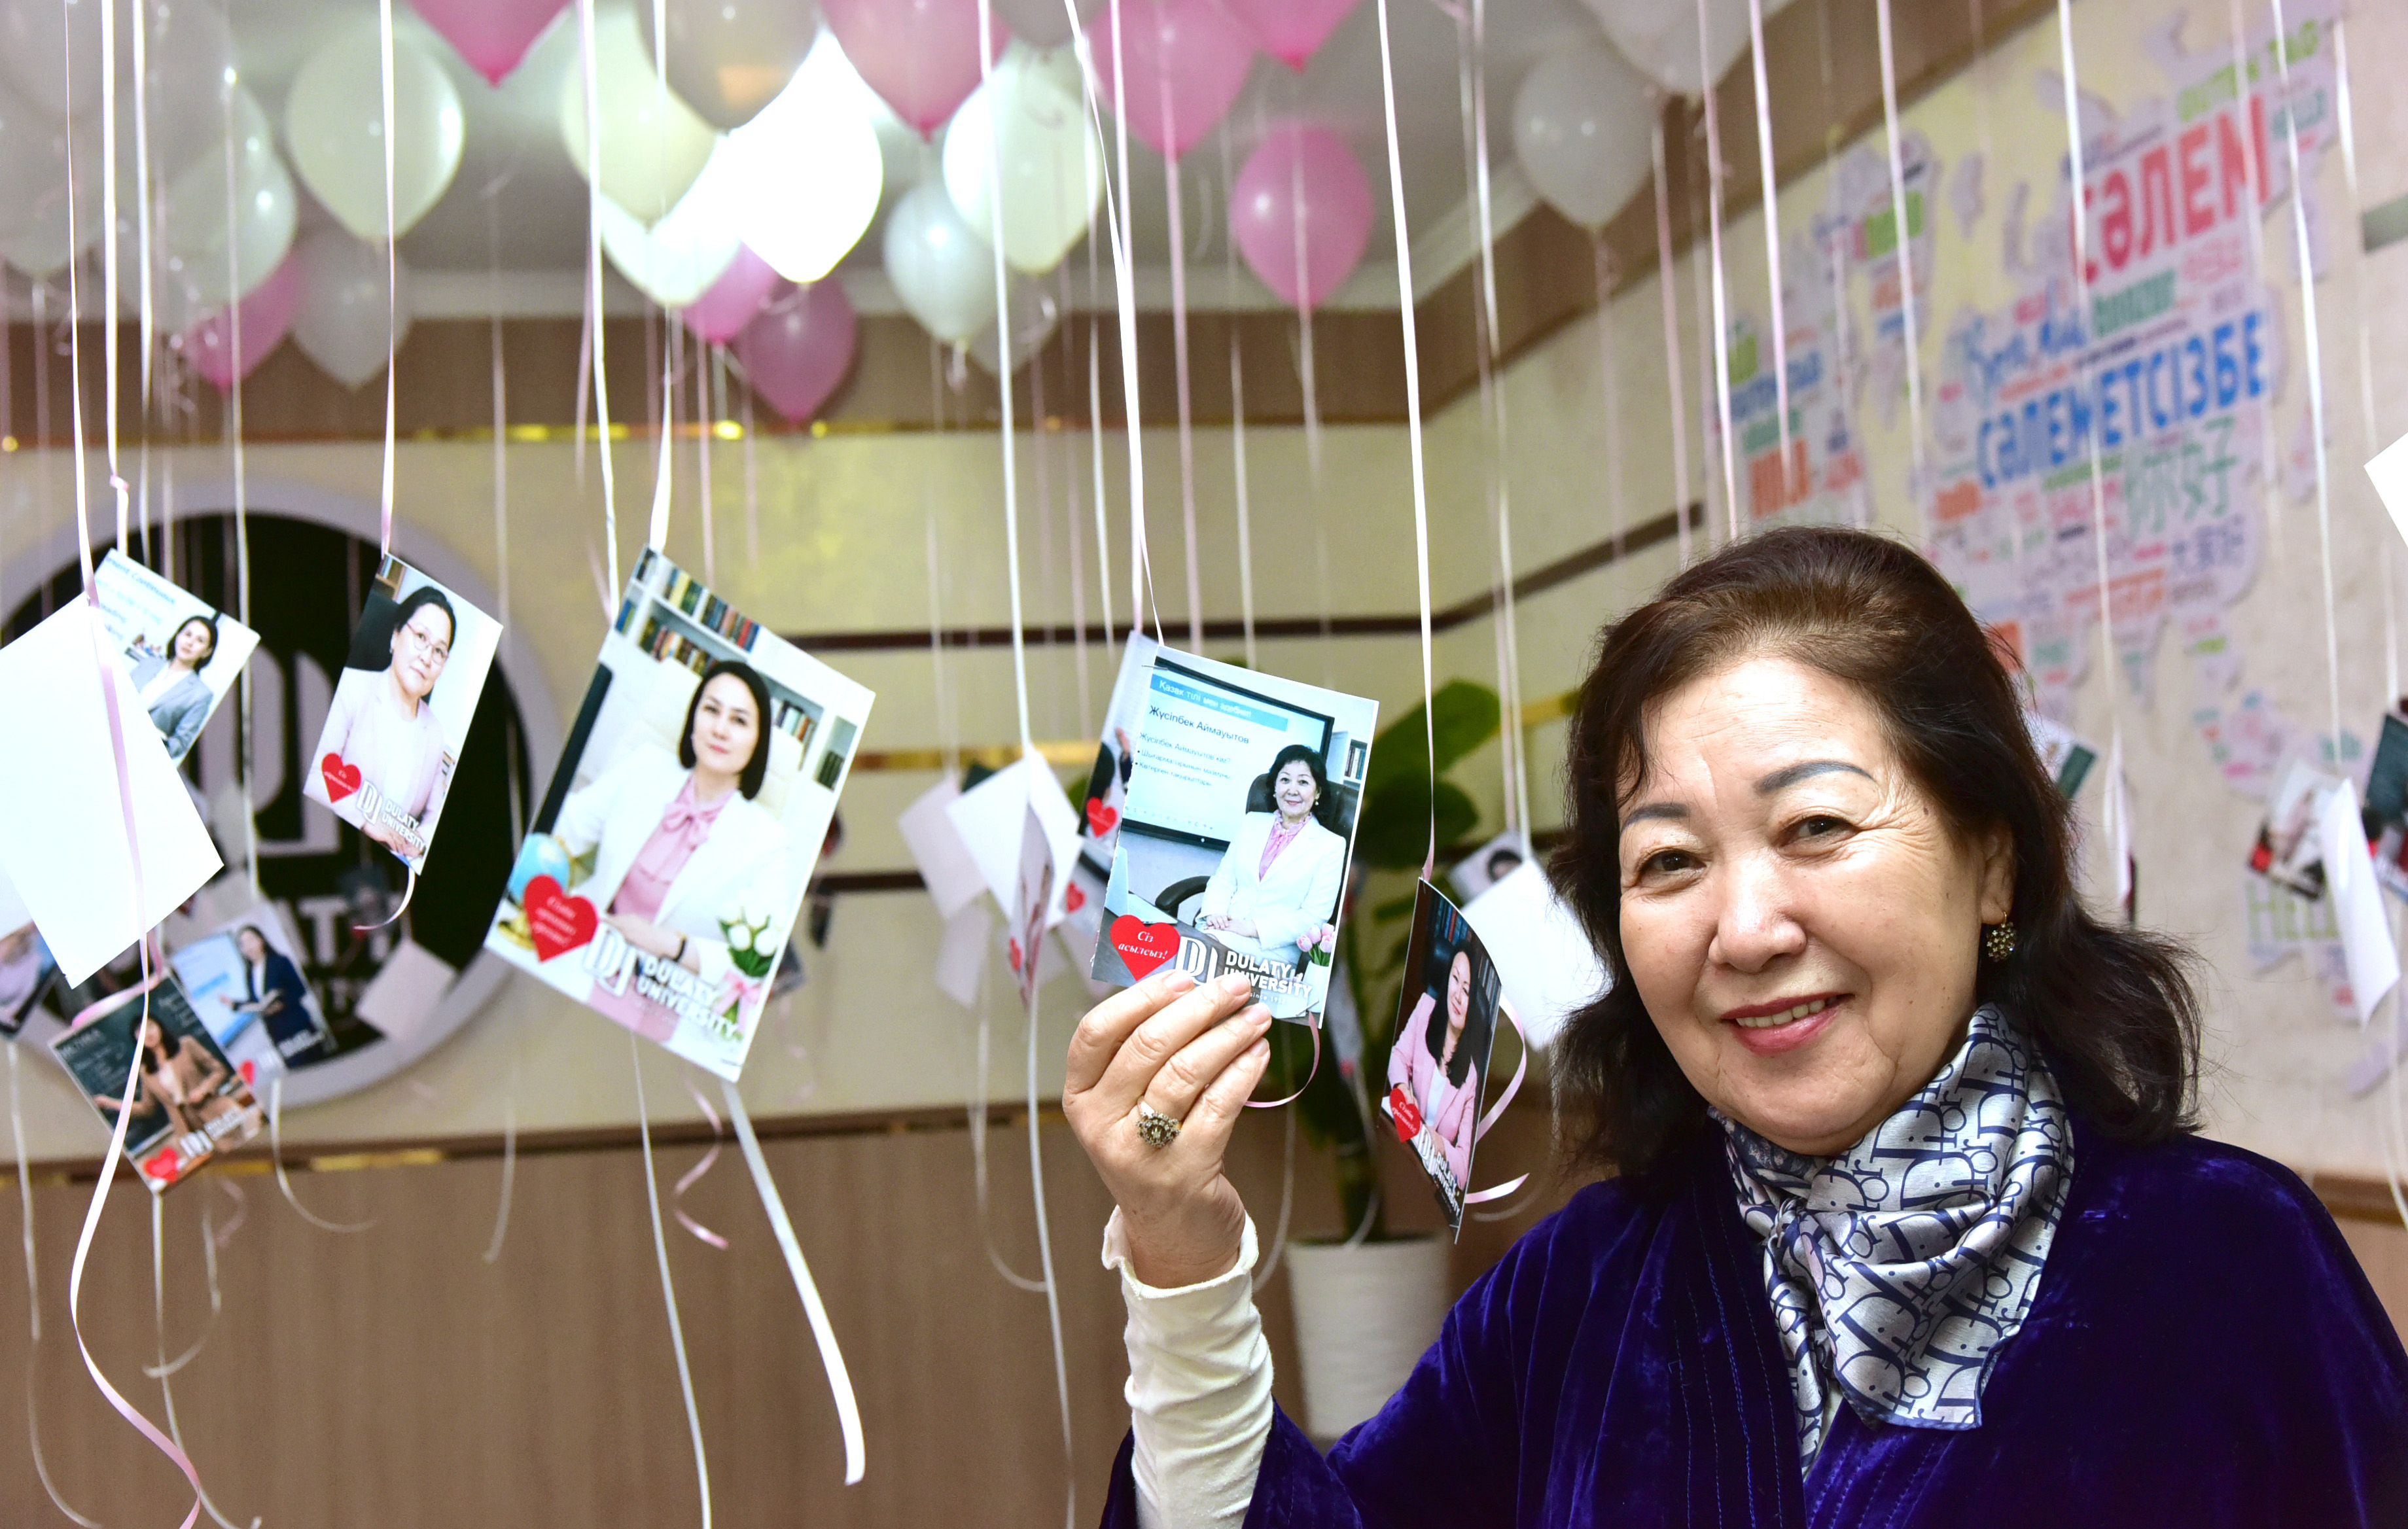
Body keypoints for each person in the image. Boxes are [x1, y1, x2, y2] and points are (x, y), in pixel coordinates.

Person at [1064, 527, 2408, 1526]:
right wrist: (1182, 1251)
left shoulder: (2226, 1265)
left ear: (1993, 863)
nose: (1746, 927)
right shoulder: (1576, 1293)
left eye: (1816, 826)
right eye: (1668, 861)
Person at [543, 661, 792, 1045]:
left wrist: (672, 945)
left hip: (664, 1004)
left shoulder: (767, 841)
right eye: (711, 710)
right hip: (581, 957)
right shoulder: (645, 766)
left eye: (739, 721)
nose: (720, 729)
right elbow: (566, 826)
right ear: (693, 719)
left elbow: (758, 961)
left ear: (758, 742)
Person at [1193, 744, 1347, 1018]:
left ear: (1318, 792)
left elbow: (1314, 917)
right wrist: (1215, 911)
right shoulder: (1252, 822)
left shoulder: (1331, 846)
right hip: (1222, 927)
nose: (1292, 790)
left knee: (1198, 973)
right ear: (1275, 787)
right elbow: (1224, 878)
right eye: (1285, 780)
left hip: (1271, 951)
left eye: (1303, 782)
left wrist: (1251, 928)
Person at [311, 586, 457, 854]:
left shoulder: (435, 732)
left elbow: (435, 817)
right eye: (421, 637)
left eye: (439, 651)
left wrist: (419, 841)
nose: (427, 657)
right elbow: (314, 773)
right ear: (395, 636)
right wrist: (365, 821)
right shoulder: (349, 688)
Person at [1385, 947, 1485, 1193]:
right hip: (1395, 1145)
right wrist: (1402, 1087)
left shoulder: (1471, 1077)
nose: (1458, 996)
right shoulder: (1425, 1009)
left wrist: (1439, 1142)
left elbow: (1463, 1171)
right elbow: (1398, 1055)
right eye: (1455, 979)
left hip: (1425, 1180)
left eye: (1467, 991)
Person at [94, 1014, 232, 1142]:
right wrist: (110, 1103)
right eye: (141, 1031)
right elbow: (146, 1108)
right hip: (190, 1133)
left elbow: (219, 1070)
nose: (148, 1034)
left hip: (218, 1115)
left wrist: (203, 1090)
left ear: (159, 1027)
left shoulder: (186, 1045)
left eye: (150, 1026)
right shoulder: (146, 1072)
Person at [129, 614, 219, 762]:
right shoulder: (148, 663)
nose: (190, 643)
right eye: (188, 634)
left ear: (207, 652)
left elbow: (180, 743)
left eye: (200, 640)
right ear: (178, 635)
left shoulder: (201, 694)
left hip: (138, 757)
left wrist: (155, 742)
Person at [227, 924, 322, 1061]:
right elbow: (256, 1002)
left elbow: (299, 989)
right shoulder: (249, 973)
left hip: (298, 1026)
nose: (248, 947)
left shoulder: (279, 962)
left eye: (250, 941)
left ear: (261, 940)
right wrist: (234, 1004)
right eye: (242, 944)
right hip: (277, 1033)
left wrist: (282, 1004)